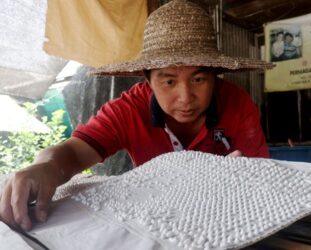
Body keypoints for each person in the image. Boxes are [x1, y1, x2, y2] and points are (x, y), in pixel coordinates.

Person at [0, 0, 273, 231]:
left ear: (216, 75)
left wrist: (243, 177)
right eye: (168, 82)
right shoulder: (128, 110)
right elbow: (73, 153)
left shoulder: (238, 105)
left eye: (199, 79)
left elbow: (262, 181)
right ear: (147, 80)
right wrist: (46, 167)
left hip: (225, 219)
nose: (185, 97)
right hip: (156, 222)